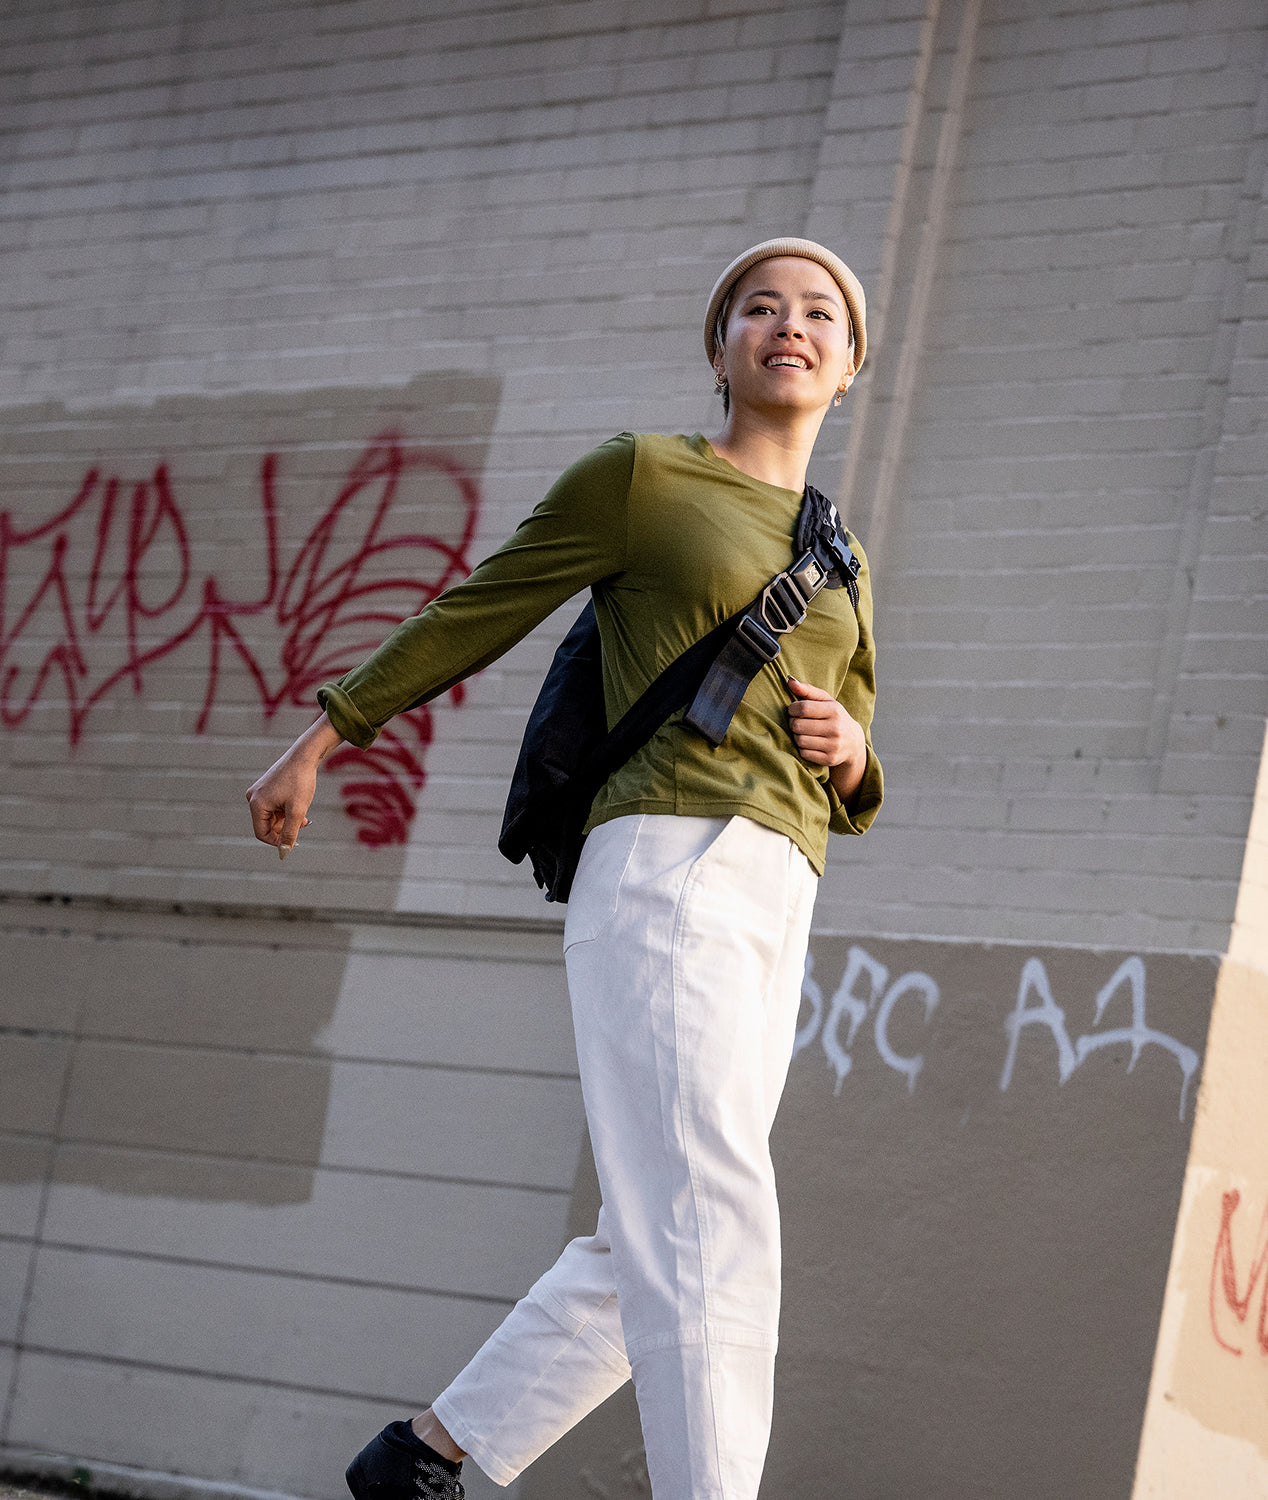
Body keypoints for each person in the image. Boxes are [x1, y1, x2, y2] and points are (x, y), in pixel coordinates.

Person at [246, 237, 883, 1500]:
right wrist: (326, 738)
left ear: (851, 367)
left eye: (819, 314)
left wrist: (855, 755)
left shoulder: (842, 557)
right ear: (721, 351)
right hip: (665, 862)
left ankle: (421, 1460)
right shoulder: (642, 476)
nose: (789, 326)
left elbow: (858, 771)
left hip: (779, 887)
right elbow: (479, 605)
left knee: (659, 1223)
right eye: (759, 308)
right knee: (711, 1223)